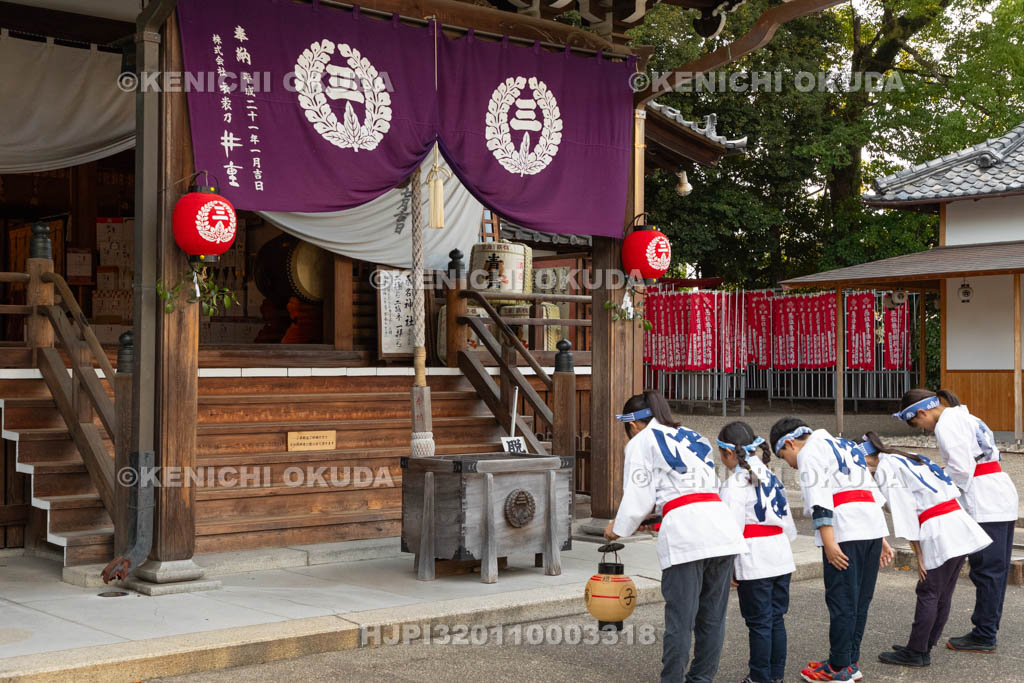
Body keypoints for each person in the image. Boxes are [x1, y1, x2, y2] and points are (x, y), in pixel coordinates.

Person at [603, 390, 747, 683]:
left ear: (632, 425)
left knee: (680, 620)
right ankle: (701, 678)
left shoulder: (642, 440)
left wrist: (617, 527)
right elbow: (693, 489)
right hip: (721, 526)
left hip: (687, 534)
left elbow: (638, 497)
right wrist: (656, 516)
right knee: (712, 618)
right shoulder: (693, 435)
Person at [893, 388, 1019, 653]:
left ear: (922, 412)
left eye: (920, 425)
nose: (925, 429)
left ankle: (984, 634)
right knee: (995, 571)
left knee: (986, 571)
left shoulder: (946, 424)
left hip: (984, 500)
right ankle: (986, 630)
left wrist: (936, 482)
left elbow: (961, 471)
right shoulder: (964, 416)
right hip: (999, 493)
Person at [770, 417, 894, 683]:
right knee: (860, 601)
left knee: (842, 600)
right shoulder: (844, 444)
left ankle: (838, 667)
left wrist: (829, 543)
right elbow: (871, 490)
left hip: (845, 529)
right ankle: (850, 660)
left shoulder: (809, 451)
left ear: (790, 443)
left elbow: (820, 501)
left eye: (784, 456)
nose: (789, 463)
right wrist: (881, 537)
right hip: (871, 526)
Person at [856, 431, 992, 667]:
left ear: (865, 459)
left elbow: (905, 515)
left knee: (928, 590)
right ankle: (925, 644)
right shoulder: (905, 456)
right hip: (958, 521)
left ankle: (916, 651)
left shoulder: (887, 468)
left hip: (939, 528)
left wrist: (919, 555)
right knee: (943, 592)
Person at [718, 421, 797, 683]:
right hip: (780, 554)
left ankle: (759, 677)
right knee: (776, 619)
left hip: (754, 559)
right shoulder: (772, 476)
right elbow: (788, 523)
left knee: (760, 623)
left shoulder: (735, 484)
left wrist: (729, 564)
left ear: (728, 452)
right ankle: (775, 676)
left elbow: (731, 529)